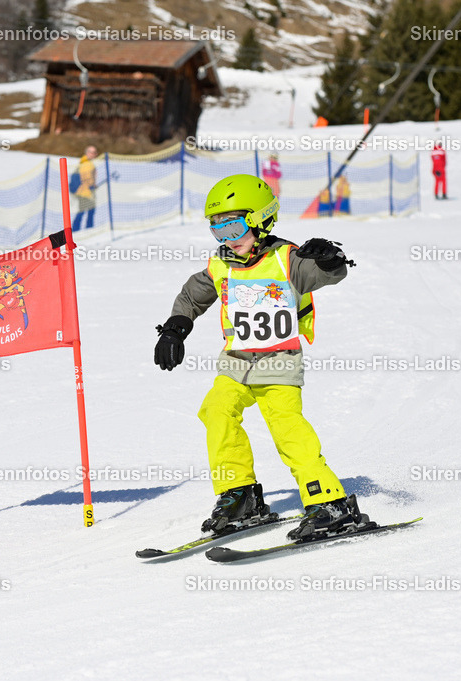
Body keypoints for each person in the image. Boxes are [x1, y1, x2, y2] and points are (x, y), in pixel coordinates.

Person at [153, 174, 363, 540]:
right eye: (217, 230)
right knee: (216, 410)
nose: (226, 240)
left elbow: (331, 273)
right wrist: (175, 327)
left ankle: (329, 501)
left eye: (233, 228)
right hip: (237, 360)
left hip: (278, 359)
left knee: (286, 426)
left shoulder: (288, 260)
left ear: (260, 220)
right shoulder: (221, 264)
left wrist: (330, 258)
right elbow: (194, 292)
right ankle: (239, 495)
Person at [71, 146, 97, 231]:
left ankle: (81, 229)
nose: (94, 154)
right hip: (84, 192)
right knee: (86, 211)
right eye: (92, 152)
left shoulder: (84, 161)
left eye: (95, 152)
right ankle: (78, 229)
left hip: (85, 191)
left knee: (87, 210)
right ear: (87, 152)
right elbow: (86, 178)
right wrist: (91, 184)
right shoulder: (86, 163)